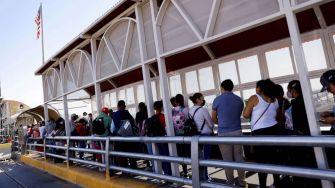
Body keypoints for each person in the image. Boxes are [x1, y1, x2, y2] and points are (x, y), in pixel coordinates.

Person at [243, 79, 280, 188]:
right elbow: (276, 115)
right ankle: (277, 183)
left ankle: (263, 185)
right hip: (274, 130)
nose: (256, 89)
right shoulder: (275, 100)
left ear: (260, 88)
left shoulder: (255, 97)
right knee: (274, 159)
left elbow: (245, 115)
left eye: (257, 87)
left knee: (261, 161)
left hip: (260, 132)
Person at [287, 80, 321, 188]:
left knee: (304, 165)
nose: (288, 93)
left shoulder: (296, 103)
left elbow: (297, 124)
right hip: (312, 136)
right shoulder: (307, 100)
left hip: (303, 139)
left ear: (292, 90)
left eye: (289, 90)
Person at [212, 79, 245, 187]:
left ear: (222, 88)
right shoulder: (239, 100)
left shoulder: (217, 100)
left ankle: (230, 182)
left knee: (227, 160)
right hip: (237, 131)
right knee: (239, 158)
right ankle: (241, 182)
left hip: (223, 133)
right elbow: (238, 114)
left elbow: (213, 118)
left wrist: (220, 122)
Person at [189, 93, 214, 180]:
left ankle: (199, 177)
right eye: (201, 99)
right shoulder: (203, 110)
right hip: (205, 135)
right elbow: (211, 124)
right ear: (197, 100)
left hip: (195, 136)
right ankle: (205, 177)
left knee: (198, 157)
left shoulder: (190, 110)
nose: (203, 100)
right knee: (205, 157)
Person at [112, 100, 138, 170]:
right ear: (124, 106)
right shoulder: (127, 113)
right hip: (129, 137)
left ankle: (124, 170)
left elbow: (112, 128)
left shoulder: (115, 115)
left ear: (118, 106)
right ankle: (134, 168)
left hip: (120, 138)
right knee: (131, 154)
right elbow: (133, 124)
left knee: (122, 155)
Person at [172, 94, 189, 177]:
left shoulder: (172, 110)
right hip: (186, 134)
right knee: (188, 152)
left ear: (176, 101)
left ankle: (184, 170)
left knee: (180, 153)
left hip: (176, 135)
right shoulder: (186, 109)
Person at [135, 102, 151, 169]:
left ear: (139, 107)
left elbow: (137, 124)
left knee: (144, 149)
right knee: (150, 148)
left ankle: (147, 163)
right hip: (147, 132)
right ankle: (152, 161)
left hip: (141, 132)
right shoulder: (147, 112)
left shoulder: (138, 114)